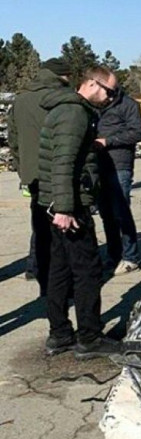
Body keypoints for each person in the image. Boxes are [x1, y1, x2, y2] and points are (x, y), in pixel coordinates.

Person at [37, 65, 121, 358]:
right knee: (88, 271)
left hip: (56, 204)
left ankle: (59, 334)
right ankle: (89, 337)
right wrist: (64, 208)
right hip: (69, 206)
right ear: (92, 85)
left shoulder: (65, 110)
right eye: (110, 92)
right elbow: (63, 163)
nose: (111, 98)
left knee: (59, 270)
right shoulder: (75, 114)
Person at [7, 58, 73, 294]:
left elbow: (12, 139)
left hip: (32, 175)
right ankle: (61, 287)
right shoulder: (60, 99)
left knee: (40, 227)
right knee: (65, 232)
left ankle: (40, 275)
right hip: (60, 174)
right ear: (62, 76)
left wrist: (22, 167)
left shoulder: (21, 99)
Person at [95, 74, 141, 275]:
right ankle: (113, 255)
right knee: (106, 214)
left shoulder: (128, 105)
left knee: (121, 213)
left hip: (120, 165)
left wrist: (108, 141)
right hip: (99, 166)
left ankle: (130, 257)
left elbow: (138, 132)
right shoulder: (95, 106)